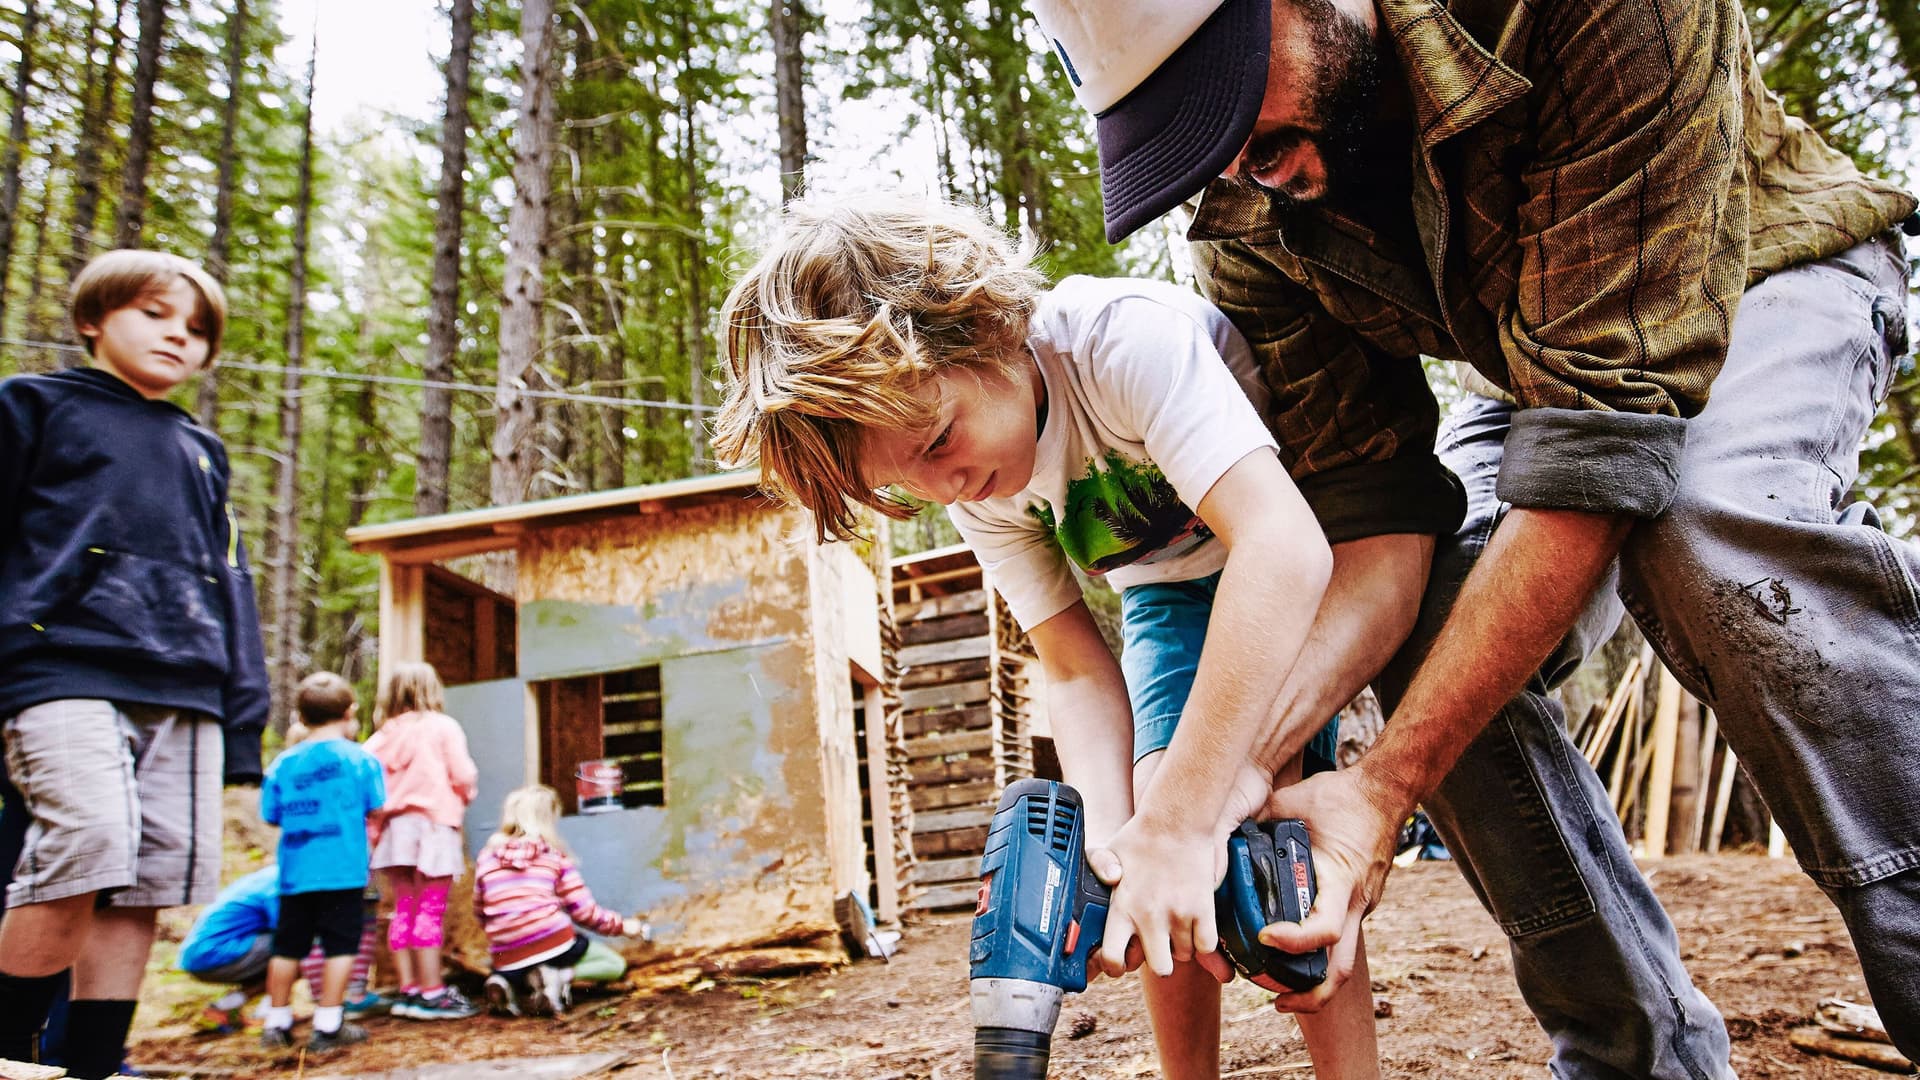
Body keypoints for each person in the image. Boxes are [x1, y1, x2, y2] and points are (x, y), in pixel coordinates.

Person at [1027, 0, 1920, 1072]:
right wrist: (1210, 789)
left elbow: (1603, 446)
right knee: (1433, 617)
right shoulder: (1246, 210)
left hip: (1761, 270)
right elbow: (1377, 529)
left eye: (1232, 104)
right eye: (1192, 133)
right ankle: (1637, 1059)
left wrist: (1383, 786)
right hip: (1546, 366)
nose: (1234, 166)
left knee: (1708, 530)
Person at [711, 194, 1383, 1079]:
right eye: (908, 484)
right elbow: (1070, 668)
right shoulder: (975, 484)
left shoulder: (1119, 341)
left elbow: (1282, 548)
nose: (944, 489)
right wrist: (1118, 848)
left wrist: (1186, 814)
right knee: (1150, 827)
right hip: (1167, 594)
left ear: (984, 326)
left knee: (1271, 835)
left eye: (938, 440)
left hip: (1289, 543)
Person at [0, 250, 269, 1079]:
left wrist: (243, 708)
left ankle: (94, 1064)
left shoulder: (200, 448)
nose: (177, 337)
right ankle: (9, 1050)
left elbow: (230, 577)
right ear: (94, 319)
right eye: (155, 314)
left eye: (195, 330)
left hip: (185, 684)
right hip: (62, 665)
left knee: (145, 880)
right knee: (86, 842)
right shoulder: (34, 406)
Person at [257, 672, 386, 1054]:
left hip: (296, 871)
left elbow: (271, 814)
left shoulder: (283, 762)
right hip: (343, 870)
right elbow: (377, 807)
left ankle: (276, 1022)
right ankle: (327, 1023)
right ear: (349, 712)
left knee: (288, 946)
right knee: (340, 945)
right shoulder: (360, 759)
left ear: (301, 715)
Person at [364, 661, 481, 1021]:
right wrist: (464, 794)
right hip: (431, 828)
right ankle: (433, 993)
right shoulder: (442, 727)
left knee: (404, 909)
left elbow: (369, 788)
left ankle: (409, 990)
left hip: (394, 834)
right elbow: (463, 774)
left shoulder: (379, 738)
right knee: (429, 910)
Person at [473, 786, 649, 1018]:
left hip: (506, 951)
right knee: (612, 964)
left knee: (519, 965)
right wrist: (624, 926)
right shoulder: (552, 857)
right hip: (552, 941)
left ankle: (504, 981)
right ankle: (559, 977)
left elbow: (479, 908)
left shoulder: (487, 858)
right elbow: (584, 912)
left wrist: (506, 932)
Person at [177, 864, 387, 1034]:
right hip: (214, 953)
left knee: (296, 947)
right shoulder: (283, 884)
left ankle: (227, 1007)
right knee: (298, 947)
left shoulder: (278, 874)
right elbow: (291, 933)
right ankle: (272, 1012)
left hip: (218, 951)